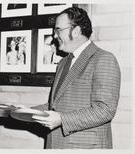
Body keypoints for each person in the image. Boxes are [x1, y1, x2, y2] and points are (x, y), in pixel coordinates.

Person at [32, 7, 121, 149]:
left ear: (76, 31)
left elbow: (105, 110)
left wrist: (62, 119)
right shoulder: (63, 63)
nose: (55, 36)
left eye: (58, 30)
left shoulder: (103, 59)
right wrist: (25, 111)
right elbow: (55, 107)